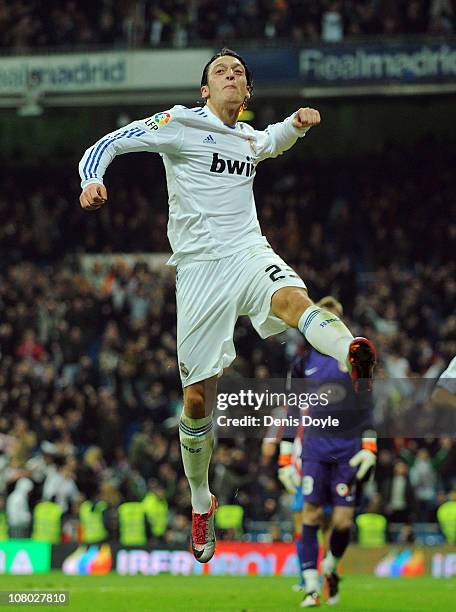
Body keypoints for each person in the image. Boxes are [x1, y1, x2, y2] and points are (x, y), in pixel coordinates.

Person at [78, 48, 376, 563]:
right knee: (196, 401)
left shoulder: (246, 135)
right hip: (197, 272)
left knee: (292, 298)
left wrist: (298, 124)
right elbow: (109, 143)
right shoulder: (180, 123)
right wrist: (92, 179)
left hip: (247, 252)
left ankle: (352, 351)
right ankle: (200, 500)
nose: (231, 75)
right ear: (205, 90)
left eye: (239, 72)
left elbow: (269, 142)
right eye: (221, 71)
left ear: (247, 91)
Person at [276, 296, 377, 607]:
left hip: (347, 449)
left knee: (344, 521)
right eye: (323, 319)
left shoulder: (354, 358)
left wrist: (370, 445)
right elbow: (293, 408)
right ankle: (310, 586)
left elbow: (367, 405)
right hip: (316, 448)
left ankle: (330, 567)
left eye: (335, 320)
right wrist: (285, 453)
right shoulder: (302, 362)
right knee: (311, 514)